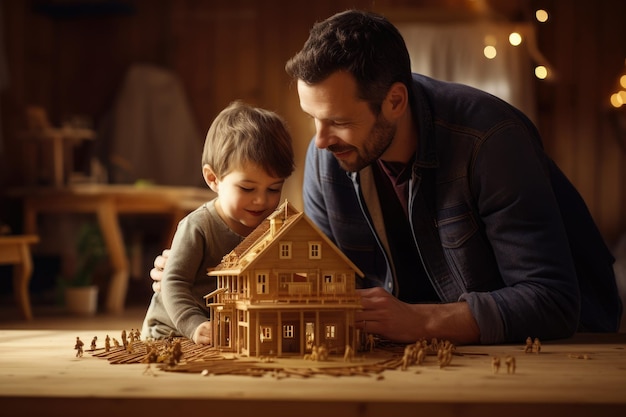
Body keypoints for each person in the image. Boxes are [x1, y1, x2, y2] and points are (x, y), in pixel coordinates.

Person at [152, 10, 622, 345]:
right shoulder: (329, 156)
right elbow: (331, 283)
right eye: (312, 118)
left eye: (337, 120)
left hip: (566, 347)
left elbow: (554, 302)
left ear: (394, 102)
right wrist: (198, 273)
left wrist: (421, 322)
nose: (318, 142)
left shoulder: (491, 141)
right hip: (427, 350)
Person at [141, 100, 295, 344]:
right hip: (175, 331)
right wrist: (194, 325)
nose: (261, 200)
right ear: (213, 179)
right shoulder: (198, 226)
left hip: (231, 331)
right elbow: (173, 282)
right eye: (247, 188)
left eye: (274, 189)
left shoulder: (276, 227)